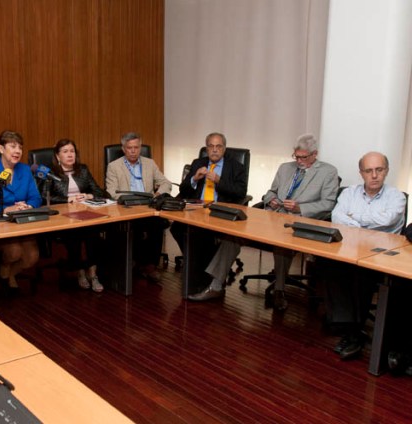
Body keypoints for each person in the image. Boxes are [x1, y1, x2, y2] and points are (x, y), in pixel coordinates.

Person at [188, 134, 339, 311]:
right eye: (296, 156)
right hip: (272, 215)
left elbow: (328, 204)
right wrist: (272, 199)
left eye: (303, 157)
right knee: (233, 235)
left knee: (282, 244)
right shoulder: (285, 168)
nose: (298, 160)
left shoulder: (328, 172)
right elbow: (270, 192)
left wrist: (300, 209)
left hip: (299, 221)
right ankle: (216, 285)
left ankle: (279, 290)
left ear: (315, 154)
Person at [324, 152, 405, 360]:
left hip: (381, 256)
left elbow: (386, 220)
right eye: (369, 170)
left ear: (387, 171)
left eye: (379, 170)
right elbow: (337, 216)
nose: (375, 175)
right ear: (361, 173)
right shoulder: (349, 193)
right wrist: (363, 222)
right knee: (330, 265)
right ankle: (348, 327)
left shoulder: (396, 197)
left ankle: (354, 333)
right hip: (350, 249)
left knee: (362, 276)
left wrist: (353, 218)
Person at [170, 132, 248, 276]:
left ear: (224, 148)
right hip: (196, 209)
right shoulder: (197, 163)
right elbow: (183, 188)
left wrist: (219, 181)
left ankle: (202, 266)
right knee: (176, 228)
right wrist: (194, 178)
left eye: (218, 146)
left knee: (204, 234)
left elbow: (241, 193)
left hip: (219, 211)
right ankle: (194, 261)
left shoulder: (236, 167)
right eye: (211, 146)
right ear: (206, 149)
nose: (214, 149)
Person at [0, 131, 42, 290]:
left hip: (22, 222)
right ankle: (5, 270)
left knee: (32, 257)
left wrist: (28, 206)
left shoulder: (25, 170)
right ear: (1, 149)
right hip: (0, 224)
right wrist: (6, 209)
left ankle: (7, 274)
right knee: (14, 251)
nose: (17, 151)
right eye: (13, 146)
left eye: (20, 147)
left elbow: (36, 198)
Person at [40, 139, 109, 292]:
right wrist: (67, 199)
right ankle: (79, 272)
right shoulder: (50, 173)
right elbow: (44, 197)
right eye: (65, 152)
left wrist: (88, 196)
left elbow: (99, 191)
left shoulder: (82, 170)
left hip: (86, 214)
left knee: (93, 233)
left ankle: (93, 273)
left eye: (72, 151)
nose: (70, 155)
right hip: (63, 218)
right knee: (75, 234)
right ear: (58, 156)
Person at [105, 132, 172, 282]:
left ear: (140, 147)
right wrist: (130, 200)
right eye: (130, 148)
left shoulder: (150, 163)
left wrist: (158, 193)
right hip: (127, 208)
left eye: (136, 147)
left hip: (149, 207)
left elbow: (166, 183)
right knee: (133, 226)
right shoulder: (114, 166)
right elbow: (111, 191)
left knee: (158, 224)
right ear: (123, 149)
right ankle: (132, 261)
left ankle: (150, 265)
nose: (133, 151)